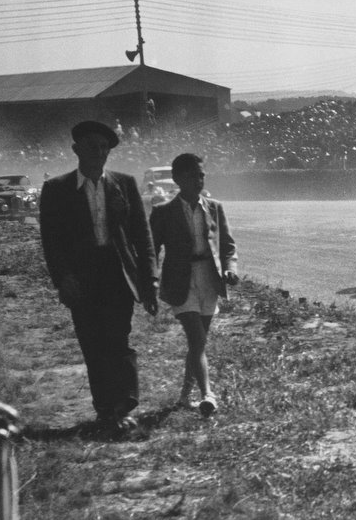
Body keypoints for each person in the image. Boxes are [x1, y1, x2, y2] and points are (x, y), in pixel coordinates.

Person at [39, 120, 158, 437]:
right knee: (92, 344)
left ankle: (124, 405)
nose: (99, 153)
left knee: (118, 339)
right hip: (82, 277)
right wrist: (63, 278)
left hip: (118, 273)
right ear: (76, 149)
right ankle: (105, 410)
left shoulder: (124, 184)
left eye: (105, 148)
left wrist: (150, 280)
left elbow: (142, 236)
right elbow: (51, 241)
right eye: (93, 147)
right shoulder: (57, 190)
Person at [150, 152, 238, 416]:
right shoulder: (163, 212)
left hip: (209, 279)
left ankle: (184, 396)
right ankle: (207, 395)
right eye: (192, 176)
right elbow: (151, 250)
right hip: (180, 280)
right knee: (197, 337)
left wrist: (230, 269)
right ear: (177, 179)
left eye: (201, 175)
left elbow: (228, 246)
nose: (198, 180)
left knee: (198, 343)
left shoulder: (214, 207)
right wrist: (151, 281)